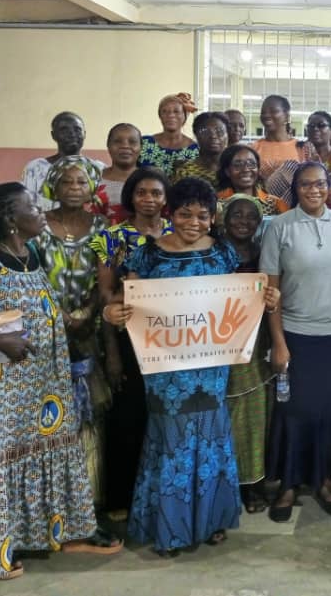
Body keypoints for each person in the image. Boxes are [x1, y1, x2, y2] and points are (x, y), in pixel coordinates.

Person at [0, 183, 122, 587]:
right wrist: (1, 342)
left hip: (38, 382)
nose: (40, 212)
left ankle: (43, 534)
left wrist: (72, 322)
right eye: (31, 207)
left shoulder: (29, 253)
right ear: (10, 219)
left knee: (42, 452)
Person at [122, 178, 259, 556]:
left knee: (211, 434)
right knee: (172, 437)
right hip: (166, 368)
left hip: (211, 365)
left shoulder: (223, 252)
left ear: (212, 217)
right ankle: (171, 529)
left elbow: (236, 300)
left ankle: (210, 520)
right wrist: (112, 312)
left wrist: (266, 296)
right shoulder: (149, 255)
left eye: (202, 215)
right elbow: (130, 302)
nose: (194, 222)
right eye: (185, 214)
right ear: (171, 214)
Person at [261, 162, 331, 522]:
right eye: (306, 184)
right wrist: (278, 342)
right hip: (296, 335)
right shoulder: (279, 227)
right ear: (295, 189)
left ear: (329, 186)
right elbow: (270, 292)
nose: (314, 190)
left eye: (320, 183)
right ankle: (289, 484)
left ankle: (325, 481)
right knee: (294, 411)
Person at [90, 167, 173, 522]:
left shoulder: (176, 232)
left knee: (163, 417)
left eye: (156, 193)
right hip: (128, 337)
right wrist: (111, 353)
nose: (149, 199)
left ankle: (158, 494)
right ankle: (120, 499)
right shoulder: (111, 237)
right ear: (131, 197)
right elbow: (106, 295)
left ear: (165, 199)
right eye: (142, 193)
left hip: (171, 338)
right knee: (127, 417)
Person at [33, 156, 110, 508]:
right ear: (54, 186)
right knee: (49, 412)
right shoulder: (37, 226)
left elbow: (106, 277)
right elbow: (31, 275)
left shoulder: (103, 227)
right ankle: (48, 498)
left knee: (88, 414)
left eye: (81, 182)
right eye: (67, 182)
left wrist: (87, 313)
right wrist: (60, 315)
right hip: (44, 330)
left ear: (92, 187)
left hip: (88, 330)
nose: (74, 189)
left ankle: (86, 498)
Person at [222, 194, 274, 515]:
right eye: (236, 215)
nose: (244, 221)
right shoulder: (213, 252)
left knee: (257, 412)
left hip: (258, 341)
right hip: (221, 343)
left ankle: (254, 480)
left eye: (251, 216)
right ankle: (230, 484)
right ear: (224, 219)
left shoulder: (263, 251)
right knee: (230, 414)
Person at [22, 111, 105, 212]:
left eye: (77, 129)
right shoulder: (36, 168)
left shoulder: (99, 169)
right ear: (53, 135)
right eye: (64, 130)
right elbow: (28, 206)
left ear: (84, 134)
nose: (72, 134)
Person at [255, 94, 319, 203]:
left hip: (294, 207)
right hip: (263, 207)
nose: (267, 115)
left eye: (273, 111)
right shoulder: (253, 148)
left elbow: (313, 179)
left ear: (286, 116)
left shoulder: (304, 148)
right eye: (263, 112)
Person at [215, 143, 290, 217]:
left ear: (258, 169)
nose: (246, 169)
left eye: (251, 164)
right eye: (238, 165)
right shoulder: (217, 202)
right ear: (227, 171)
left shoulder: (276, 204)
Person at [138, 93, 199, 176]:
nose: (170, 115)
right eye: (165, 111)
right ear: (160, 116)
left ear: (184, 116)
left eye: (176, 111)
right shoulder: (144, 143)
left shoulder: (195, 150)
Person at [93, 123, 142, 225]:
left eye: (132, 142)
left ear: (141, 147)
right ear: (108, 146)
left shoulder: (150, 180)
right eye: (117, 141)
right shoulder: (93, 180)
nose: (125, 146)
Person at [171, 111, 230, 187]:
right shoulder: (184, 171)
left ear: (227, 135)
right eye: (206, 132)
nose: (213, 136)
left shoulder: (235, 169)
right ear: (196, 135)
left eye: (220, 131)